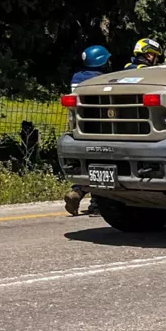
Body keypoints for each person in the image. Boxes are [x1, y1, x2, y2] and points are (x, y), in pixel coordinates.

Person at [65, 45, 112, 215]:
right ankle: (97, 204)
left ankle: (77, 191)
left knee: (88, 163)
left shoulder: (77, 77)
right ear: (101, 61)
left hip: (80, 127)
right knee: (104, 165)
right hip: (101, 127)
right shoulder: (103, 78)